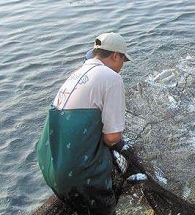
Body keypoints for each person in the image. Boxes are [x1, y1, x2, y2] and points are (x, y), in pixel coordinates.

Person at [36, 32, 132, 215]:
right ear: (115, 56)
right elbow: (112, 137)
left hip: (50, 167)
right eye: (123, 60)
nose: (122, 66)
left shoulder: (76, 74)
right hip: (79, 175)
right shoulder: (112, 78)